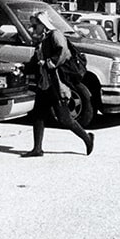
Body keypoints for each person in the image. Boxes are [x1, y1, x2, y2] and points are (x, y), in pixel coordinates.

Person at [23, 11, 94, 157]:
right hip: (45, 84)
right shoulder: (41, 41)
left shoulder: (55, 35)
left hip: (56, 84)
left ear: (43, 24)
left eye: (35, 25)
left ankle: (88, 138)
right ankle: (37, 149)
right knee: (38, 115)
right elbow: (36, 62)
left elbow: (63, 52)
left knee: (64, 119)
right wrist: (23, 68)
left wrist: (49, 63)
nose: (32, 29)